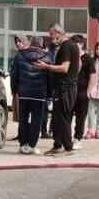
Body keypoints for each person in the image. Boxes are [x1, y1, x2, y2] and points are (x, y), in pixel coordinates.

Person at [37, 25, 81, 156]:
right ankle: (57, 145)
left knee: (63, 117)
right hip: (68, 86)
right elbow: (78, 66)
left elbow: (64, 68)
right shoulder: (72, 45)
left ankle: (68, 148)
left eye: (51, 34)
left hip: (65, 87)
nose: (50, 37)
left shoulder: (66, 46)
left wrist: (47, 66)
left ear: (58, 33)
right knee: (57, 117)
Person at [11, 35, 51, 154]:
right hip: (39, 94)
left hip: (23, 93)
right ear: (41, 45)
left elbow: (14, 75)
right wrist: (49, 94)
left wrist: (14, 91)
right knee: (36, 120)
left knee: (23, 119)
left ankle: (23, 145)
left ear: (31, 43)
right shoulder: (47, 57)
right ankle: (32, 145)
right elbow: (50, 78)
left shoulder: (19, 56)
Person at [72, 34, 92, 143]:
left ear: (82, 44)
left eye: (77, 43)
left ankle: (77, 138)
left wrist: (88, 92)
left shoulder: (88, 58)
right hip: (71, 91)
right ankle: (66, 138)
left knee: (81, 117)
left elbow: (92, 76)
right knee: (68, 115)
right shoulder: (71, 57)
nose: (75, 46)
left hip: (83, 92)